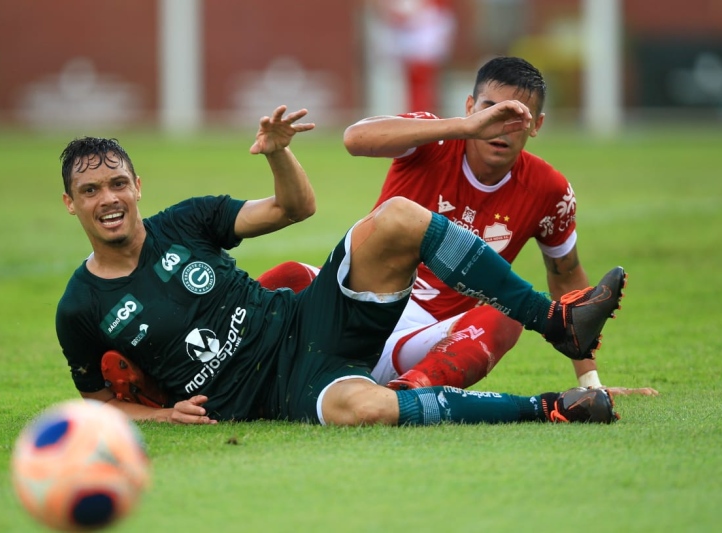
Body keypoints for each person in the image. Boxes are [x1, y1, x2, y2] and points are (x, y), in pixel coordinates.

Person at [56, 103, 625, 427]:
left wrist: (278, 151)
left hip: (305, 320)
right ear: (71, 203)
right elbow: (99, 405)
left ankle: (558, 322)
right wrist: (165, 418)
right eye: (90, 190)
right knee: (362, 409)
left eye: (117, 183)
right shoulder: (80, 306)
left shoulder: (184, 222)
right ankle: (553, 408)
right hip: (269, 395)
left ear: (137, 187)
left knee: (400, 215)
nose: (108, 199)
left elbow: (294, 208)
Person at [257, 57, 657, 396]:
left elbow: (567, 279)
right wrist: (462, 128)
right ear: (469, 107)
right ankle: (211, 365)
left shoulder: (550, 190)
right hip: (358, 307)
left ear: (537, 125)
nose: (501, 124)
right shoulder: (433, 138)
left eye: (517, 117)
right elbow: (355, 138)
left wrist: (590, 380)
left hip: (425, 339)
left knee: (507, 316)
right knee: (289, 275)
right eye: (490, 109)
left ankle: (407, 395)